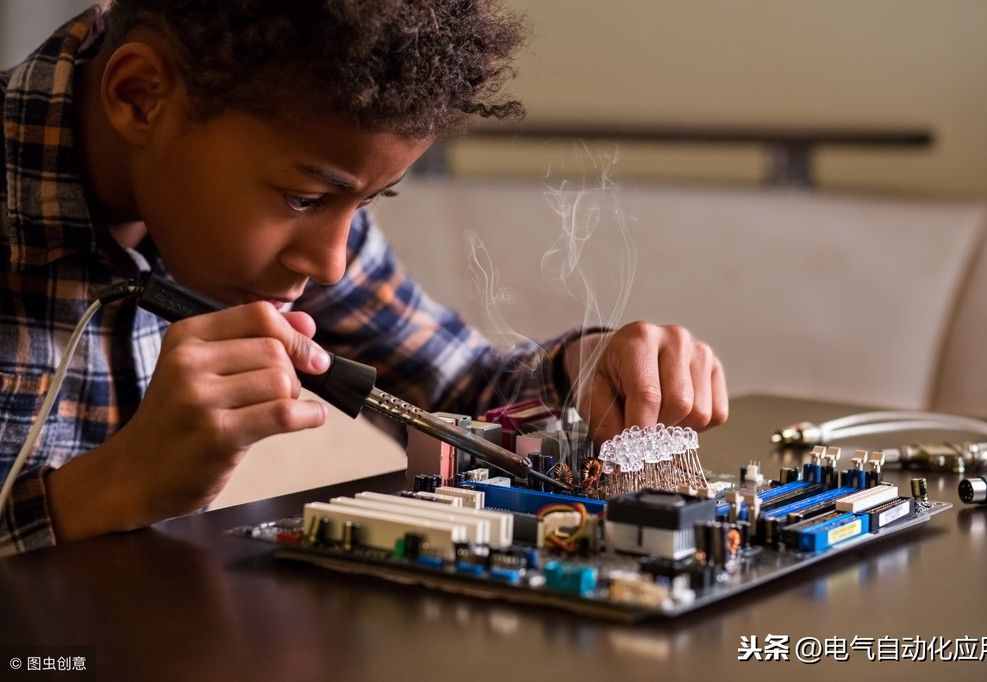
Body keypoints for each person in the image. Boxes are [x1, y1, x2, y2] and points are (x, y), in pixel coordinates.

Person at [0, 1, 728, 556]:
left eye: (367, 202)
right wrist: (109, 491)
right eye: (303, 198)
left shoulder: (294, 195)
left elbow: (463, 389)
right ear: (139, 97)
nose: (331, 263)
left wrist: (588, 368)